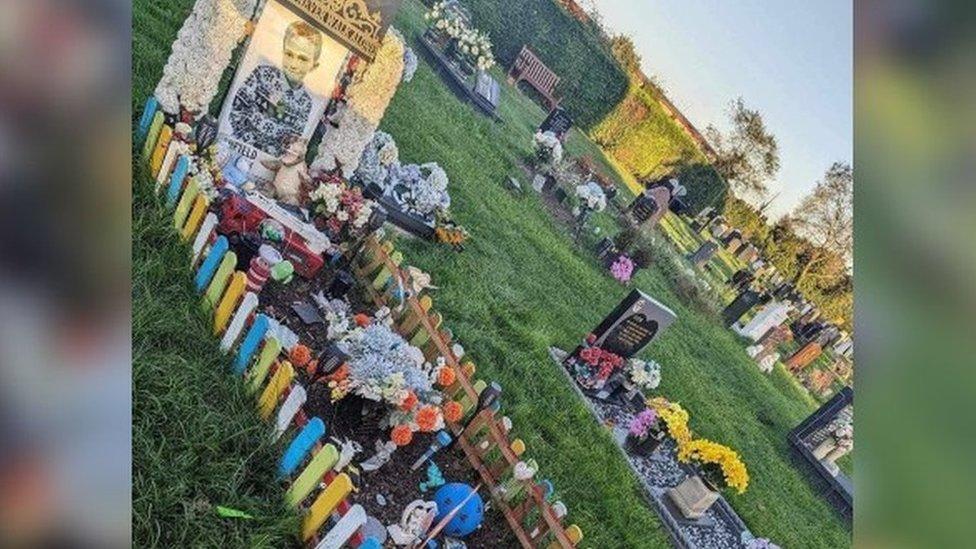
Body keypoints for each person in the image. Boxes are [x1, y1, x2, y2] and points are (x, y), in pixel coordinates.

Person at [228, 20, 322, 157]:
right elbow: (237, 108)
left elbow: (293, 138)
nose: (293, 65)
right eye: (289, 54)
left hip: (268, 160)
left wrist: (268, 154)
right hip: (238, 146)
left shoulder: (305, 103)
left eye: (303, 59)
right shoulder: (262, 75)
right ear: (283, 52)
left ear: (313, 66)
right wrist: (248, 144)